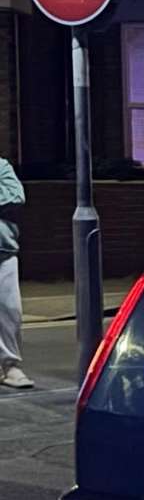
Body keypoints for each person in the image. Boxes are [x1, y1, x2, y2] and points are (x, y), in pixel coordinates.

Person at [0, 156, 30, 389]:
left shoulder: (1, 166)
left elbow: (16, 195)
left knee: (10, 311)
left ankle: (11, 366)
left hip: (3, 250)